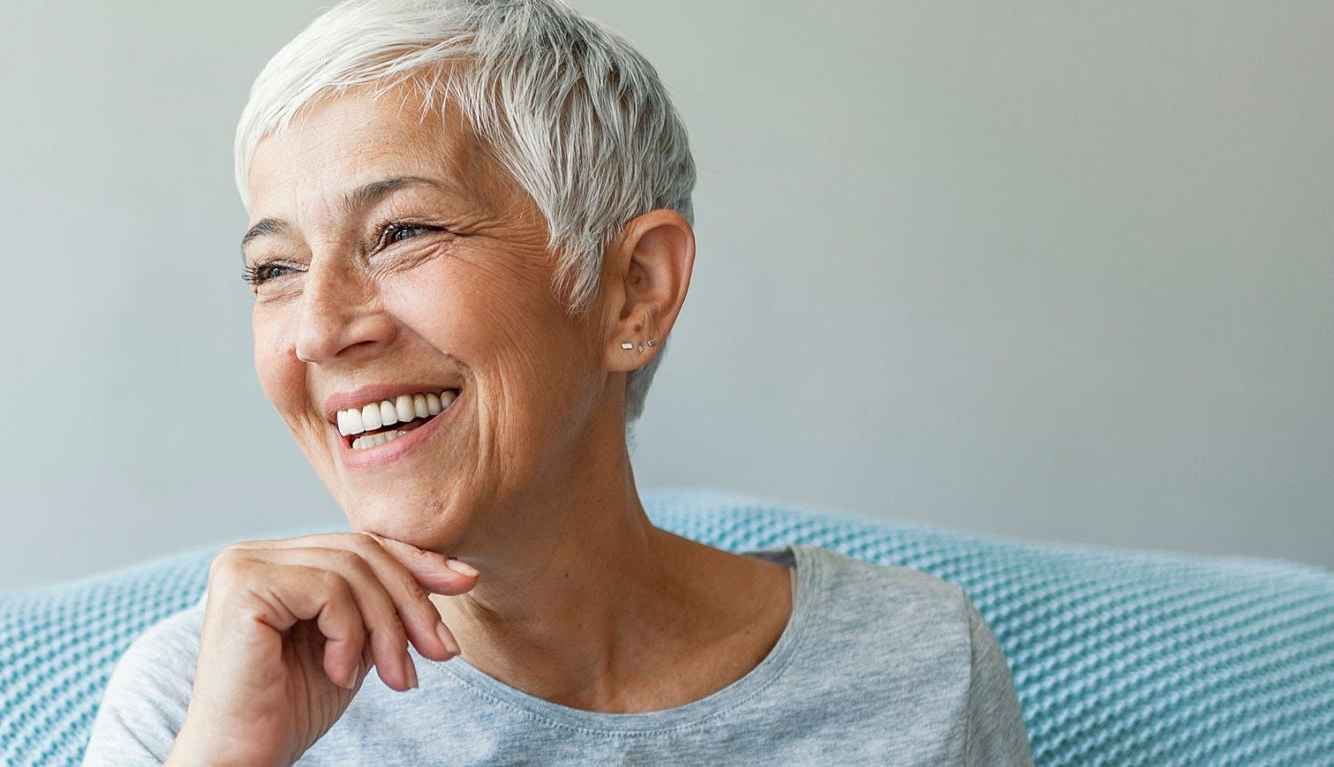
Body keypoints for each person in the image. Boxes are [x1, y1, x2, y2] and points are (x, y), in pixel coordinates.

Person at [80, 0, 1034, 764]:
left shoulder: (917, 668)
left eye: (403, 232)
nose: (321, 328)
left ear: (634, 292)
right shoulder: (199, 700)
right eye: (273, 270)